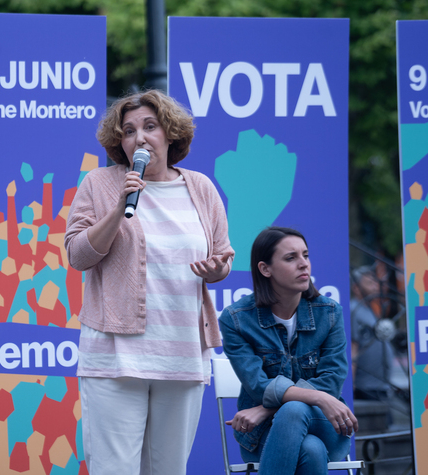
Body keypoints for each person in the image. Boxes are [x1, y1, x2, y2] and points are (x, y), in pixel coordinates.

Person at [64, 89, 233, 474]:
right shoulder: (100, 184)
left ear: (170, 134)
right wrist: (116, 209)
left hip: (183, 355)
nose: (138, 138)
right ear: (119, 142)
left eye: (149, 127)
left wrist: (216, 269)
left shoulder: (201, 187)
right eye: (128, 131)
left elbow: (222, 257)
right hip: (115, 359)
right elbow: (78, 256)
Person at [219, 227, 357, 475]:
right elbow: (259, 386)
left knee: (295, 411)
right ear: (265, 269)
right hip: (264, 435)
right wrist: (319, 396)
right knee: (311, 450)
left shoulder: (329, 313)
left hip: (323, 423)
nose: (304, 264)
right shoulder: (236, 320)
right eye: (291, 258)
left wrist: (267, 408)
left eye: (306, 255)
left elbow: (331, 381)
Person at [350, 265, 394, 402]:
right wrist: (351, 384)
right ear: (356, 288)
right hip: (366, 387)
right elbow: (353, 347)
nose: (375, 287)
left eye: (375, 282)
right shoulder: (353, 310)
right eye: (369, 283)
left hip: (379, 385)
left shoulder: (369, 309)